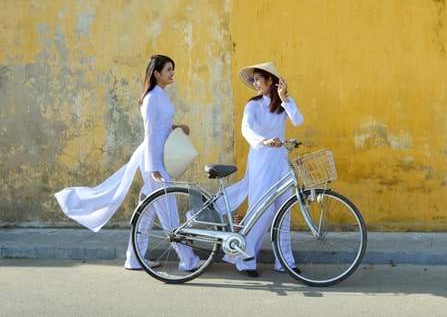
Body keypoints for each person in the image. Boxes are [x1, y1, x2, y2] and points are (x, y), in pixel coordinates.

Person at [54, 54, 200, 271]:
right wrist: (152, 168)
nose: (172, 73)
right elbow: (149, 133)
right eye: (168, 69)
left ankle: (133, 258)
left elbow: (160, 127)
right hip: (154, 158)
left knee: (149, 209)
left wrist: (176, 127)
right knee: (167, 207)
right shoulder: (151, 97)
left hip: (161, 155)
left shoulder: (162, 95)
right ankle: (187, 259)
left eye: (173, 69)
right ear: (156, 73)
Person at [222, 62, 304, 277]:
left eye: (258, 79)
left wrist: (284, 98)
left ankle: (284, 260)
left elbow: (298, 120)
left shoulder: (285, 103)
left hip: (281, 161)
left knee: (283, 210)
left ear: (271, 80)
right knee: (261, 210)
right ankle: (246, 259)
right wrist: (263, 141)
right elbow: (245, 129)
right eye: (254, 79)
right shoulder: (253, 105)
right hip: (261, 159)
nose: (254, 83)